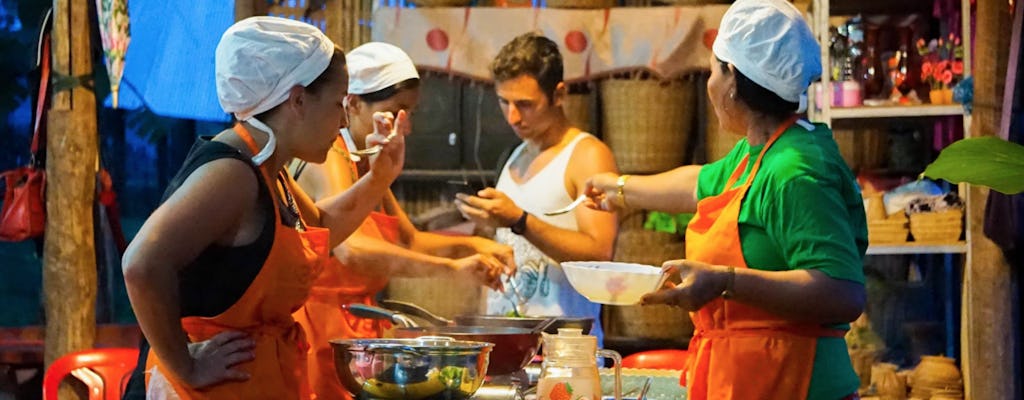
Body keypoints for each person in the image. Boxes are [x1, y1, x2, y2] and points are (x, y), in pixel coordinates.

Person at [584, 1, 867, 399]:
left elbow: (843, 293)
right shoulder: (758, 152)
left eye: (713, 69)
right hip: (750, 378)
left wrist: (725, 282)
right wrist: (619, 188)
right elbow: (699, 183)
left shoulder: (796, 170)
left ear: (732, 77)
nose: (710, 83)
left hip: (799, 383)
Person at [120, 17, 408, 400]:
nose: (343, 121)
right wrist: (186, 364)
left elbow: (320, 225)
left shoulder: (266, 165)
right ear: (298, 100)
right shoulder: (232, 173)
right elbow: (141, 265)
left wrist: (380, 176)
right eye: (339, 104)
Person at [289, 42, 515, 400]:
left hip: (356, 330)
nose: (404, 126)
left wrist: (475, 245)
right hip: (321, 329)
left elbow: (409, 240)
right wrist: (451, 268)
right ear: (353, 104)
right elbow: (352, 249)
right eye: (396, 111)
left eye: (409, 113)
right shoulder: (330, 155)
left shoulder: (367, 162)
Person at [454, 32, 619, 344]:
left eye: (525, 104)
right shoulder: (515, 156)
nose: (513, 117)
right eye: (504, 102)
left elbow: (600, 252)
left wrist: (520, 220)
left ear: (558, 94)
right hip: (505, 340)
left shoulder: (586, 155)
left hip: (564, 349)